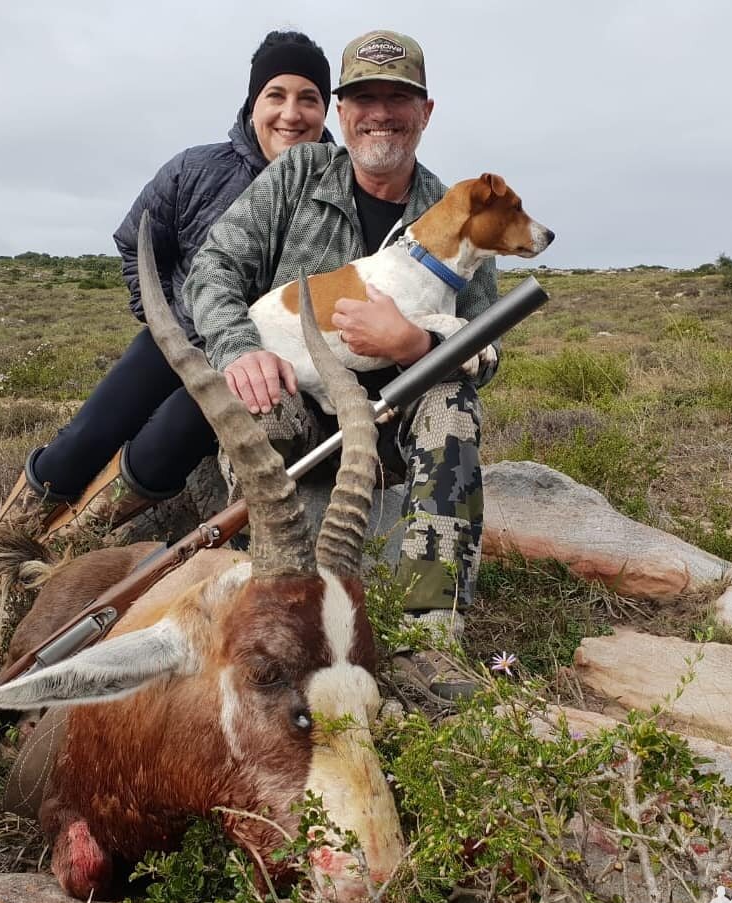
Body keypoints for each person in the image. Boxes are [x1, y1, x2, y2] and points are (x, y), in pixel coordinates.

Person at [0, 30, 334, 609]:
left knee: (163, 448)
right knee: (87, 434)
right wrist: (161, 318)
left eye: (309, 98)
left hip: (243, 366)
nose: (291, 113)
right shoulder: (196, 170)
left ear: (325, 109)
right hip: (175, 338)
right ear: (252, 103)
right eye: (276, 94)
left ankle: (59, 557)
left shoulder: (333, 188)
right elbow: (136, 242)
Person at [183, 30, 499, 699]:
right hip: (300, 410)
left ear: (426, 111)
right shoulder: (297, 175)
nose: (378, 113)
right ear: (341, 110)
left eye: (397, 98)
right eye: (363, 98)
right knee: (258, 405)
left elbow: (486, 352)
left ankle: (427, 640)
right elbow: (213, 270)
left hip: (393, 424)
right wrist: (240, 352)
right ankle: (272, 619)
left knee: (455, 403)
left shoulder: (461, 214)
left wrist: (417, 346)